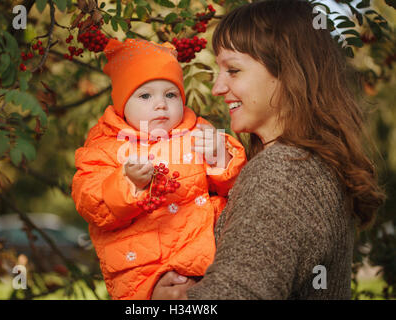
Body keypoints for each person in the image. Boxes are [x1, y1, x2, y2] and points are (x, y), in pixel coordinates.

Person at [151, 0, 386, 300]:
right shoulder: (310, 164)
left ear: (288, 72)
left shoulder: (282, 171)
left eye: (233, 70)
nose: (217, 88)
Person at [71, 38, 247, 299]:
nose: (161, 104)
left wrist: (219, 157)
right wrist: (128, 183)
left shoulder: (198, 133)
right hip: (141, 268)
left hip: (202, 257)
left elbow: (236, 189)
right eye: (145, 95)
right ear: (122, 104)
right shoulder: (104, 147)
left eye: (171, 94)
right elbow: (90, 203)